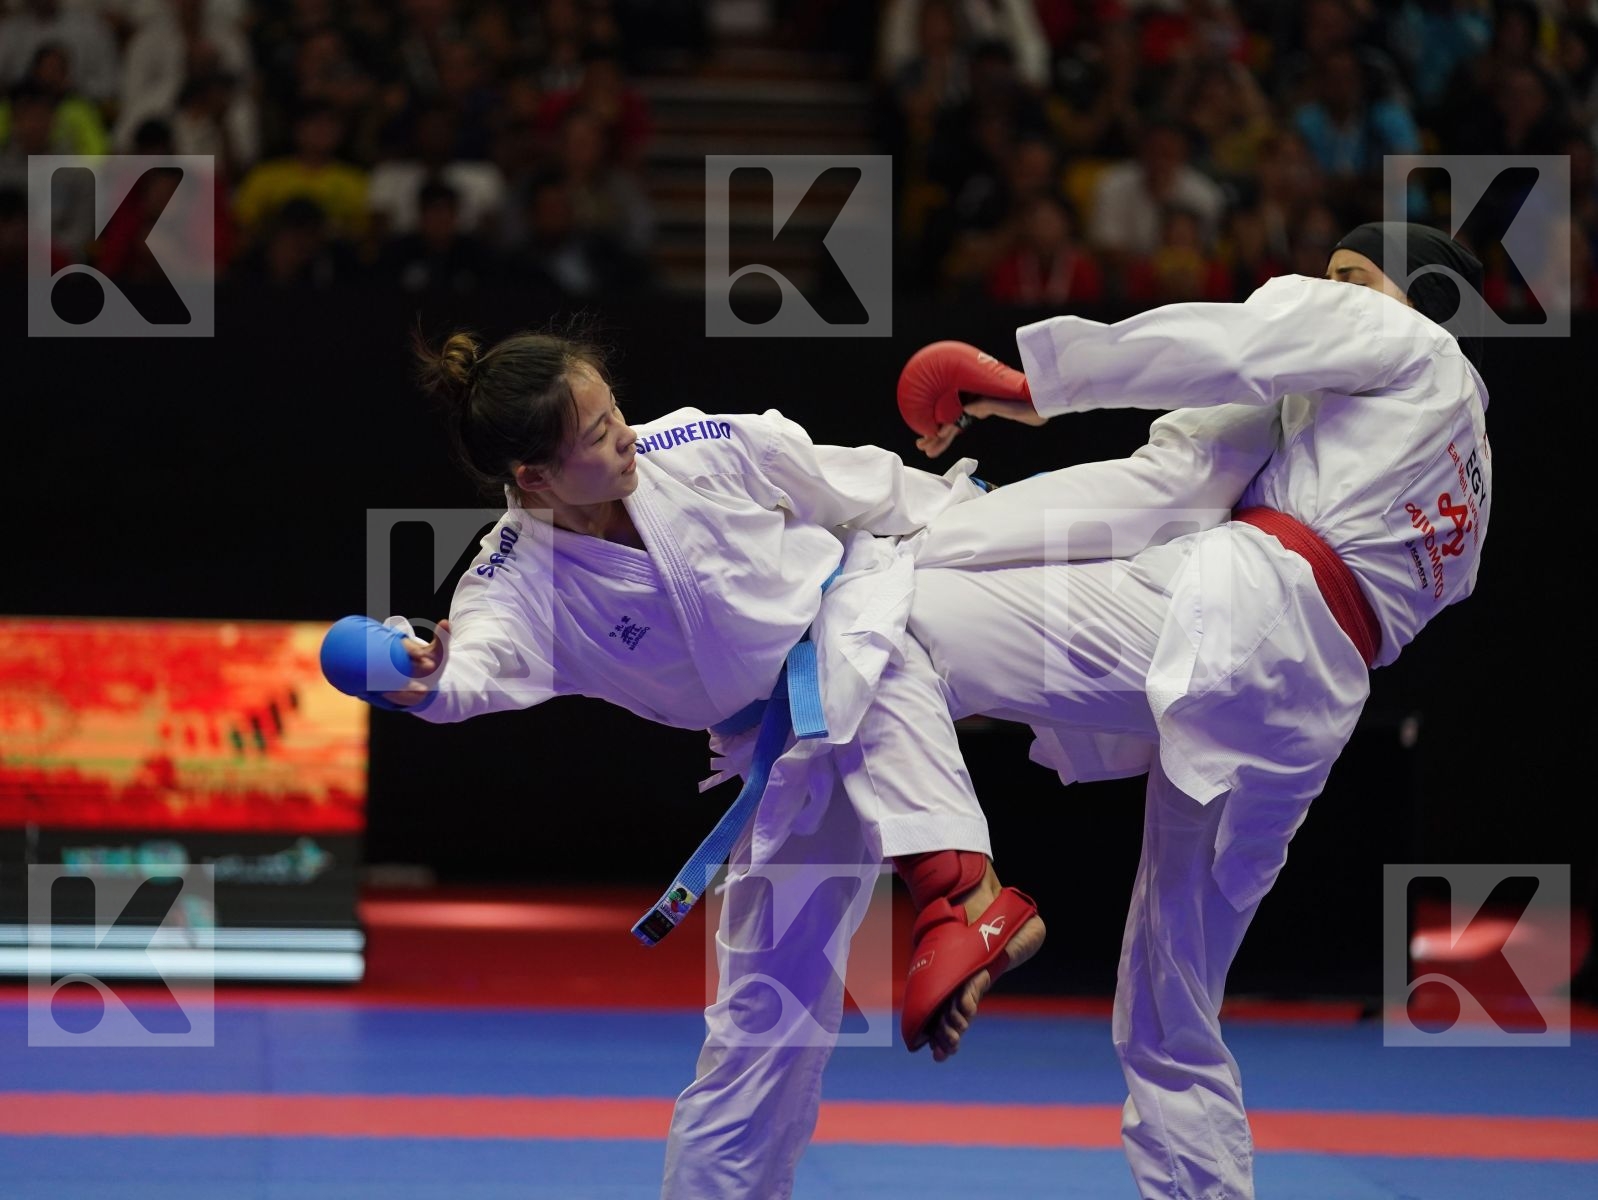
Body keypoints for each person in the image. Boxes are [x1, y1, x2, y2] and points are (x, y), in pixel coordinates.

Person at [320, 324, 1280, 1199]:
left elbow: (850, 483)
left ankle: (964, 892)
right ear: (534, 477)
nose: (625, 436)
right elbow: (473, 669)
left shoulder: (692, 444)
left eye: (615, 409)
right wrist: (413, 675)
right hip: (786, 753)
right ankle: (955, 907)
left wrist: (974, 514)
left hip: (880, 596)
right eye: (599, 434)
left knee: (1118, 518)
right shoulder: (514, 579)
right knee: (762, 1025)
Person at [903, 222, 1491, 1199]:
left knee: (900, 618)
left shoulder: (1408, 344)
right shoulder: (1463, 466)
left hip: (1242, 614)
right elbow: (1171, 478)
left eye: (1351, 276)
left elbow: (1232, 344)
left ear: (1416, 299)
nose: (1327, 288)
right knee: (1172, 1010)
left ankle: (960, 893)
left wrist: (1032, 387)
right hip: (1303, 715)